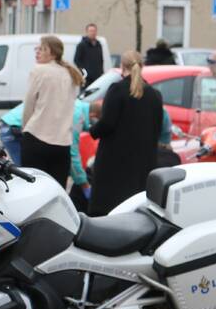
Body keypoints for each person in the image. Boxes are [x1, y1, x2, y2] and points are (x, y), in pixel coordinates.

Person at [89, 51, 163, 216]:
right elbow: (157, 128)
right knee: (134, 206)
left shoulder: (117, 90)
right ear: (141, 66)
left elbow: (108, 123)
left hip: (115, 159)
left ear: (122, 67)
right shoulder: (154, 94)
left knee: (110, 207)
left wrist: (93, 130)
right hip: (143, 161)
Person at [22, 35, 84, 186]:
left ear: (53, 53)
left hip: (37, 136)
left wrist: (25, 128)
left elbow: (29, 104)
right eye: (37, 48)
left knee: (32, 188)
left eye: (42, 49)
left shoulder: (39, 71)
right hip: (62, 143)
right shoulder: (71, 74)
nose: (38, 52)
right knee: (56, 189)